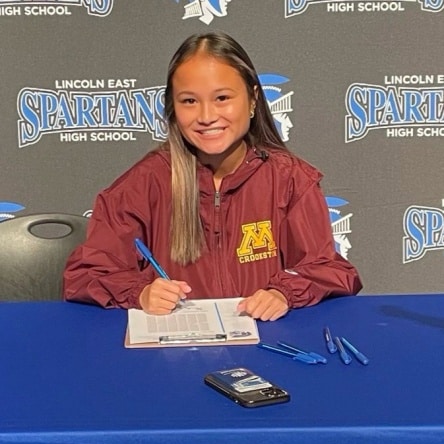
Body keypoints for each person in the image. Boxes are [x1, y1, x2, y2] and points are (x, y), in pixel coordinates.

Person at [63, 31, 362, 321]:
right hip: (175, 346)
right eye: (189, 101)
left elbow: (328, 270)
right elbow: (86, 273)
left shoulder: (290, 180)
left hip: (265, 343)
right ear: (172, 107)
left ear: (253, 98)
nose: (206, 116)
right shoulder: (144, 183)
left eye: (222, 98)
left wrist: (284, 293)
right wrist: (140, 293)